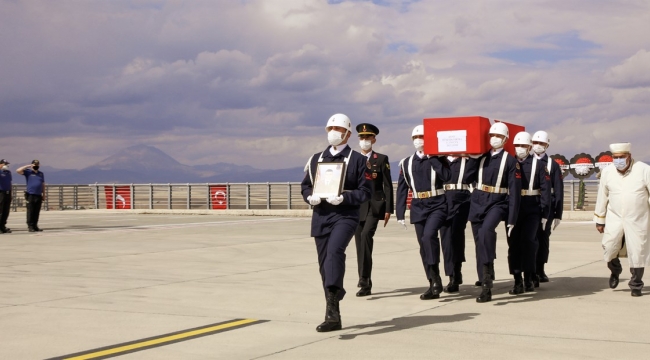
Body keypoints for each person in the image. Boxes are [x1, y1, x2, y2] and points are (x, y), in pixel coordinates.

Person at [301, 113, 371, 332]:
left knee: (334, 252)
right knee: (324, 264)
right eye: (330, 128)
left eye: (337, 129)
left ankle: (332, 307)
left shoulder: (359, 161)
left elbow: (365, 191)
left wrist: (345, 197)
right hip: (321, 215)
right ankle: (334, 312)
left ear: (348, 134)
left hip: (345, 215)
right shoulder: (315, 159)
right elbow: (305, 185)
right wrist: (309, 196)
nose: (333, 133)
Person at [396, 125, 451, 300]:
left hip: (437, 203)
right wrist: (399, 213)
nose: (419, 140)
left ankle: (435, 279)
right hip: (418, 205)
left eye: (422, 136)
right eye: (416, 137)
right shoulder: (406, 163)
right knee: (423, 245)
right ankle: (432, 281)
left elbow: (447, 177)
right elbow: (402, 189)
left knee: (429, 237)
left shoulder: (439, 159)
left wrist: (433, 158)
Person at [469, 122, 521, 303]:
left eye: (498, 136)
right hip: (478, 200)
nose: (494, 139)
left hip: (498, 202)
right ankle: (485, 276)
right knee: (479, 241)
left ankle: (487, 282)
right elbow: (467, 176)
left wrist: (512, 218)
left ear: (506, 139)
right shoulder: (481, 157)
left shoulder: (511, 161)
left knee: (485, 232)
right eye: (492, 135)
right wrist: (471, 158)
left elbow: (514, 192)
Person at [594, 142, 650, 297]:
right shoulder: (608, 172)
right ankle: (615, 270)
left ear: (629, 156)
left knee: (637, 251)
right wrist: (600, 219)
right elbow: (602, 196)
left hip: (638, 218)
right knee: (609, 247)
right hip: (615, 217)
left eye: (621, 157)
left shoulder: (644, 170)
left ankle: (636, 285)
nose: (618, 160)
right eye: (615, 157)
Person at [506, 132, 551, 294]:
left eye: (524, 146)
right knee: (513, 245)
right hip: (513, 208)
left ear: (530, 147)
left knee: (529, 242)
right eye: (517, 146)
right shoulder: (509, 162)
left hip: (532, 207)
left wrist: (545, 213)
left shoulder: (538, 165)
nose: (520, 149)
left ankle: (529, 278)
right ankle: (517, 280)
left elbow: (545, 190)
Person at [353, 123, 394, 297]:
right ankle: (366, 282)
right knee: (359, 243)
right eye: (362, 138)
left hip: (375, 205)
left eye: (367, 138)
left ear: (373, 139)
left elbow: (387, 185)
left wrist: (388, 209)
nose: (364, 140)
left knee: (365, 236)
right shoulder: (353, 159)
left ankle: (363, 278)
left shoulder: (381, 159)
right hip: (357, 206)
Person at [439, 154, 479, 293]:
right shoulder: (440, 160)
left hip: (462, 199)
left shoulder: (467, 160)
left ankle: (456, 272)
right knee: (445, 238)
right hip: (442, 200)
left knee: (456, 236)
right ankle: (451, 275)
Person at [532, 130, 564, 285]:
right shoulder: (525, 161)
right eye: (535, 143)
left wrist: (558, 213)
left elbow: (558, 189)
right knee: (531, 237)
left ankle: (540, 269)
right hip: (531, 203)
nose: (537, 146)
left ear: (547, 145)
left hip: (548, 206)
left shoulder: (553, 165)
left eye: (541, 143)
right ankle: (531, 270)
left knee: (543, 237)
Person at [16, 160, 46, 232]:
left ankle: (35, 225)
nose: (36, 166)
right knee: (30, 211)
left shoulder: (41, 174)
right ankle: (30, 226)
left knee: (36, 211)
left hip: (38, 195)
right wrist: (28, 166)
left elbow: (43, 184)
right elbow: (18, 171)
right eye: (35, 164)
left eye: (37, 164)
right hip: (30, 195)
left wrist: (44, 194)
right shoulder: (28, 172)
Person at [0, 159, 12, 234]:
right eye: (4, 164)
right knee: (0, 210)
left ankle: (3, 226)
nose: (6, 165)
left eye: (7, 164)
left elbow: (10, 182)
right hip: (1, 192)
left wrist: (11, 194)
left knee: (6, 211)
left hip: (8, 192)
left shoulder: (8, 172)